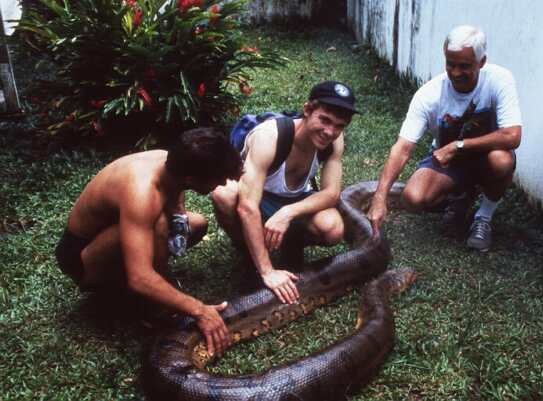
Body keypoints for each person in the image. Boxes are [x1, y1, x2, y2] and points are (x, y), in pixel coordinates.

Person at [55, 127, 242, 357]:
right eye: (218, 177)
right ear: (191, 178)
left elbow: (176, 191)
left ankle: (158, 282)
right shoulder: (142, 193)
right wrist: (199, 310)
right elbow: (139, 278)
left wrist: (179, 213)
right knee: (158, 226)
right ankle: (147, 304)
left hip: (115, 229)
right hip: (80, 256)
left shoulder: (170, 162)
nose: (222, 183)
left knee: (196, 224)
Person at [367, 25, 522, 252]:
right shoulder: (429, 94)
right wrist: (379, 198)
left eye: (464, 66)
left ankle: (483, 217)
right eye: (451, 64)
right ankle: (461, 196)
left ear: (482, 62)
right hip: (448, 162)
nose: (456, 72)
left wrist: (459, 146)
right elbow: (402, 148)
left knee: (502, 161)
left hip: (486, 156)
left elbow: (512, 135)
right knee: (413, 198)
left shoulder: (500, 79)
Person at [211, 81, 359, 304]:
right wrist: (267, 271)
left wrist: (287, 213)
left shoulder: (334, 140)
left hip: (293, 199)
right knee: (224, 194)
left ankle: (291, 246)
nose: (330, 131)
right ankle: (252, 258)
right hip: (257, 197)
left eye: (339, 125)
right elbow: (247, 206)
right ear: (307, 110)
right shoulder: (269, 137)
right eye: (324, 120)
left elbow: (331, 193)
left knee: (333, 228)